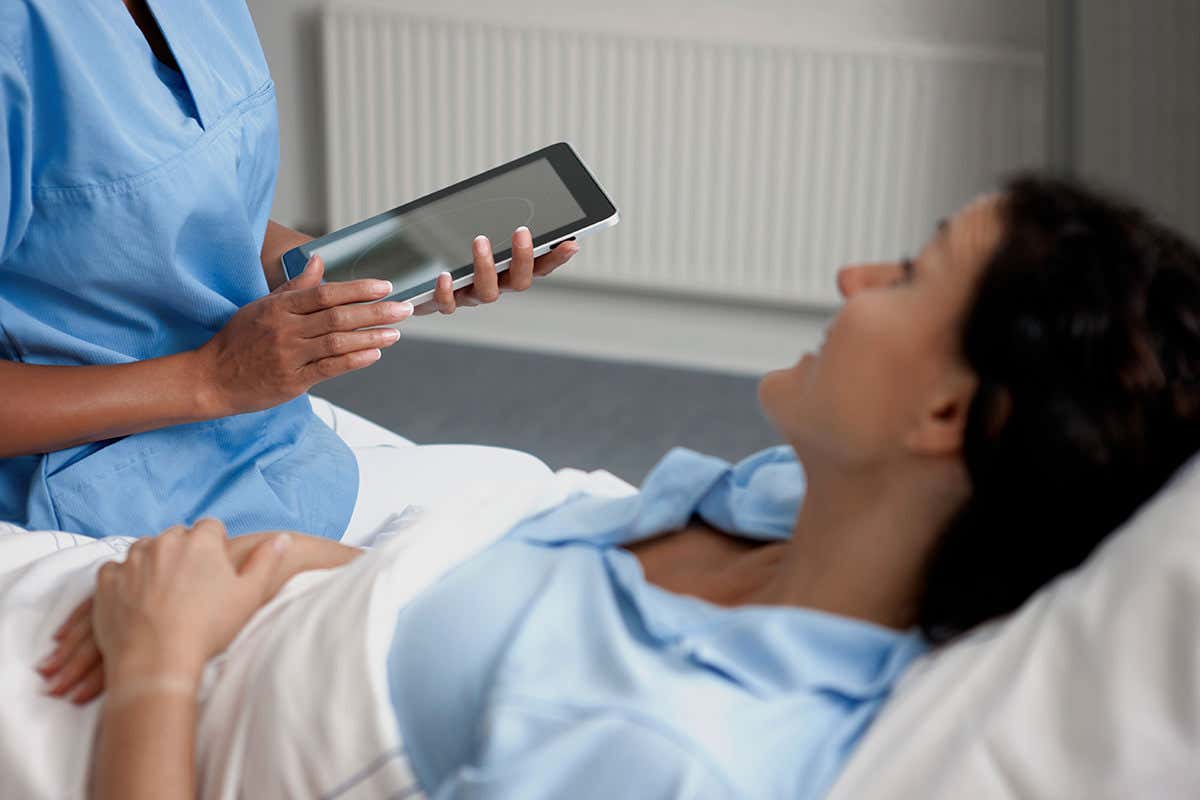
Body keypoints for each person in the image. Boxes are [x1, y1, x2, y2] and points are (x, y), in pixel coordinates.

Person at [38, 175, 1200, 798]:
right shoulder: (789, 511)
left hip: (106, 677)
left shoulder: (668, 752)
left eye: (908, 274)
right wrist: (297, 561)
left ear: (947, 416)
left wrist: (161, 660)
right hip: (221, 574)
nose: (855, 275)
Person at [0, 0, 579, 542]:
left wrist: (389, 270)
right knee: (536, 535)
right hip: (114, 498)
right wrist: (213, 377)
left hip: (262, 441)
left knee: (547, 503)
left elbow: (181, 215)